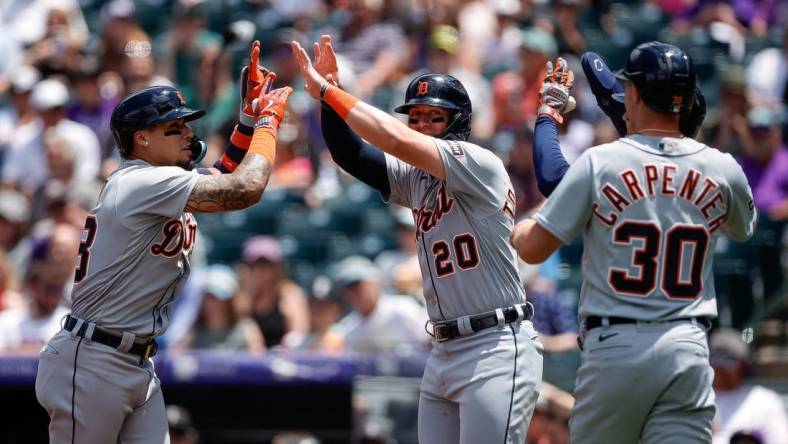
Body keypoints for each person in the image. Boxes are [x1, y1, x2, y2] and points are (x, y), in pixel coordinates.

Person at [34, 40, 292, 443]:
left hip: (135, 360)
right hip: (92, 361)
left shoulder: (162, 182)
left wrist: (245, 120)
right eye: (174, 128)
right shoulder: (140, 181)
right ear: (142, 140)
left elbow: (223, 174)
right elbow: (245, 187)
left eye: (187, 125)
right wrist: (267, 125)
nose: (188, 134)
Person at [292, 35, 543, 443]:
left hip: (494, 343)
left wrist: (330, 91)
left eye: (435, 117)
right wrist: (328, 104)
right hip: (443, 347)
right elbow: (351, 155)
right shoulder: (417, 177)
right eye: (417, 116)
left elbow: (393, 140)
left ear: (458, 122)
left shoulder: (478, 163)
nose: (423, 125)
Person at [510, 42, 757, 443]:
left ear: (636, 94)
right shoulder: (723, 167)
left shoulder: (602, 161)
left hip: (616, 347)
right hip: (688, 347)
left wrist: (522, 227)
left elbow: (533, 247)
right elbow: (742, 228)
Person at [323, 256, 429, 353]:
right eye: (349, 289)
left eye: (358, 285)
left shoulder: (402, 308)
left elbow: (431, 340)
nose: (355, 293)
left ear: (374, 283)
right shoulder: (349, 327)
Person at [710, 328, 788, 444]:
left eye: (727, 360)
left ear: (743, 364)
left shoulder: (764, 401)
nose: (719, 365)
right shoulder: (699, 400)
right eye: (714, 357)